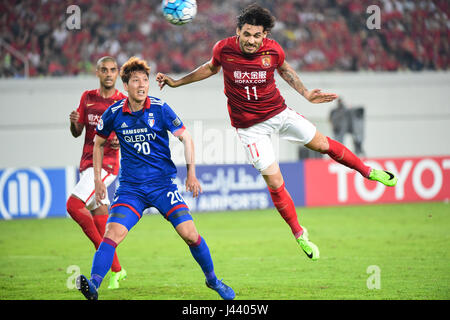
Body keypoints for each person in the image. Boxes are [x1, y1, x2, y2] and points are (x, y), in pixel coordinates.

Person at [156, 4, 398, 261]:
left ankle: (368, 171)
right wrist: (177, 81)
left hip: (278, 113)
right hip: (250, 129)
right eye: (246, 34)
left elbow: (284, 69)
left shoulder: (273, 51)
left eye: (256, 35)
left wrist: (305, 93)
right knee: (275, 182)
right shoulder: (223, 49)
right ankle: (299, 233)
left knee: (322, 145)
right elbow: (210, 67)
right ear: (238, 31)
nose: (251, 40)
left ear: (265, 36)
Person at [76, 57, 235, 300]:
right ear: (126, 85)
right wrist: (98, 180)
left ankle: (213, 281)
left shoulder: (160, 108)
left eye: (144, 80)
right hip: (131, 190)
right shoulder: (114, 113)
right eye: (135, 81)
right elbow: (97, 144)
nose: (141, 85)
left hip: (163, 185)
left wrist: (191, 173)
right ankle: (94, 285)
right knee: (111, 235)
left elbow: (187, 138)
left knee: (190, 234)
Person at [67, 56, 127, 289]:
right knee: (101, 218)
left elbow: (131, 131)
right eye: (105, 70)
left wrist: (120, 141)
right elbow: (77, 132)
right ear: (98, 73)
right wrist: (73, 123)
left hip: (106, 166)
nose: (109, 74)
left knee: (73, 206)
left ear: (117, 73)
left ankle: (100, 252)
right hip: (86, 164)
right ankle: (117, 271)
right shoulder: (87, 98)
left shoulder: (123, 101)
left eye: (113, 70)